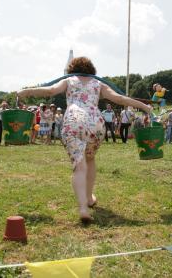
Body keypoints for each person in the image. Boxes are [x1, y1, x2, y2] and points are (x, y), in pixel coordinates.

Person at [17, 56, 151, 223]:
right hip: (96, 123)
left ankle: (83, 208)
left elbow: (50, 90)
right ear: (91, 70)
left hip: (74, 122)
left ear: (72, 69)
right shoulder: (99, 84)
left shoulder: (69, 80)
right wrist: (145, 107)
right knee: (90, 159)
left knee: (80, 166)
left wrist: (25, 92)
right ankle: (89, 198)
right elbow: (120, 99)